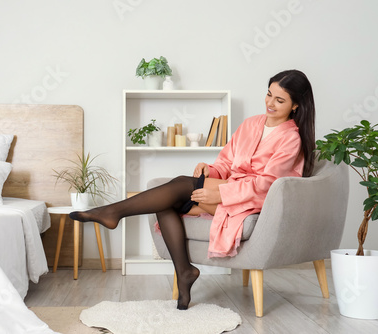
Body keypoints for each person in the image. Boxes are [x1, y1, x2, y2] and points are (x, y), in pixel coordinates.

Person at [70, 69, 316, 310]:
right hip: (231, 186)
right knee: (166, 201)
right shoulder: (251, 124)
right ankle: (185, 272)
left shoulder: (291, 139)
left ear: (295, 105)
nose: (270, 103)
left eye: (280, 99)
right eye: (269, 94)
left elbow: (266, 184)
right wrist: (211, 170)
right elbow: (227, 161)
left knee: (179, 185)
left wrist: (220, 193)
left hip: (253, 198)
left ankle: (114, 213)